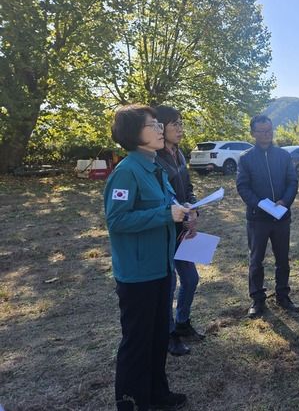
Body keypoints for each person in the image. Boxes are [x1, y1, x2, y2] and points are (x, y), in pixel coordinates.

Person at [104, 105, 190, 411]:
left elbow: (169, 206)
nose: (158, 129)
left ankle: (157, 394)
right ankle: (131, 402)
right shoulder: (127, 172)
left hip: (162, 266)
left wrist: (184, 216)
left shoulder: (155, 168)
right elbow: (117, 221)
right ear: (134, 134)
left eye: (158, 124)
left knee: (156, 337)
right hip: (138, 274)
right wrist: (165, 213)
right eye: (152, 125)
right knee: (137, 341)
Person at [236, 115, 299, 318]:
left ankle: (283, 295)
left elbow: (292, 182)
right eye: (261, 131)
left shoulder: (283, 155)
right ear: (253, 133)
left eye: (269, 130)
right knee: (256, 260)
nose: (266, 134)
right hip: (258, 219)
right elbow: (243, 187)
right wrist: (260, 204)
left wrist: (284, 202)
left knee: (283, 259)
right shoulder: (245, 158)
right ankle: (257, 299)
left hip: (281, 217)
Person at [155, 105, 205, 357]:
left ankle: (182, 323)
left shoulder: (179, 154)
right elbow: (159, 197)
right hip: (165, 232)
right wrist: (179, 213)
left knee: (191, 279)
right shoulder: (153, 158)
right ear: (160, 127)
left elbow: (188, 187)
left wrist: (193, 209)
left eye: (181, 123)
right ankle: (169, 334)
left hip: (184, 229)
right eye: (174, 124)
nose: (180, 129)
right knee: (169, 284)